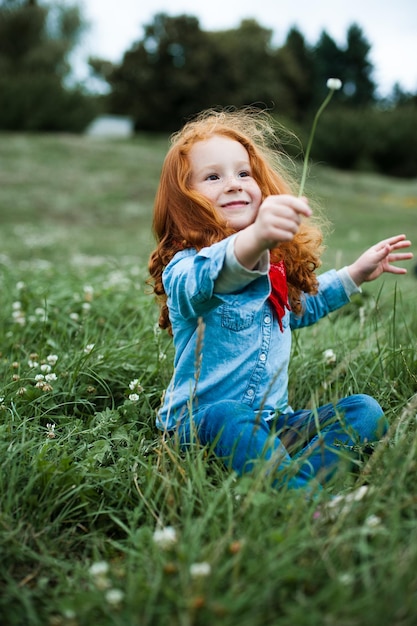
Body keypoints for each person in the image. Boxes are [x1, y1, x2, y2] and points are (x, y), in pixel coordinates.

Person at [148, 107, 413, 494]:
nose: (235, 184)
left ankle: (293, 480)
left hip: (274, 422)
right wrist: (255, 240)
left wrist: (355, 273)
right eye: (212, 176)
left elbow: (300, 309)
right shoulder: (185, 269)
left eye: (244, 173)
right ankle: (308, 500)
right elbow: (216, 275)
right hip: (200, 426)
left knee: (364, 412)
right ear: (185, 199)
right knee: (228, 415)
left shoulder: (273, 267)